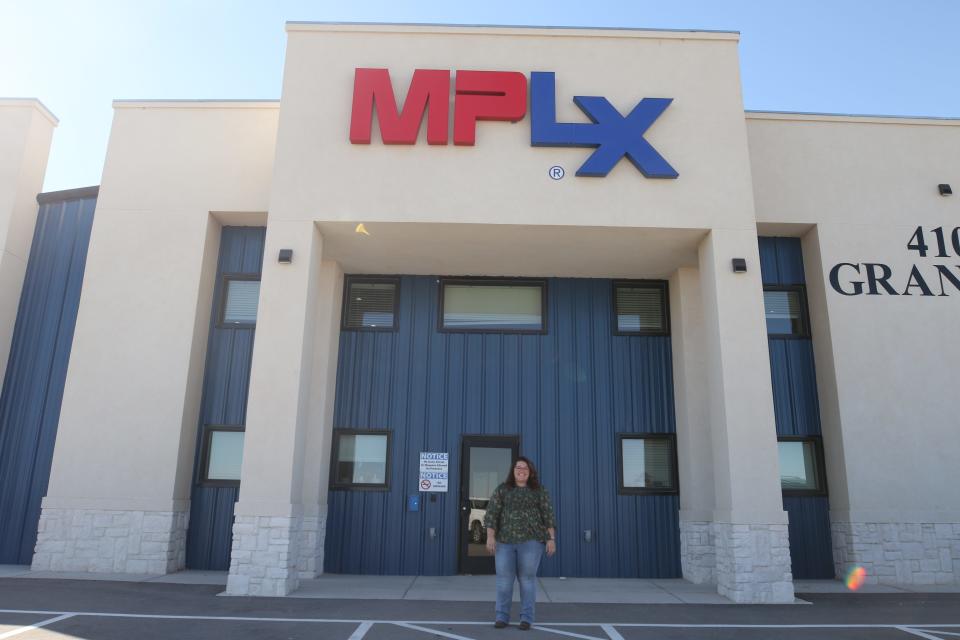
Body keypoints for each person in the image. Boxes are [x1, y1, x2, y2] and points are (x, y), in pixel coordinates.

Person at [483, 456, 556, 630]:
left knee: (527, 580)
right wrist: (490, 536)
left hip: (532, 542)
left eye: (525, 468)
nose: (521, 470)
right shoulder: (503, 489)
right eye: (518, 467)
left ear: (530, 472)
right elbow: (492, 514)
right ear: (513, 471)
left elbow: (548, 516)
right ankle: (502, 616)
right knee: (504, 581)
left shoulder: (539, 491)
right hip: (504, 542)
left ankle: (527, 618)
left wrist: (551, 539)